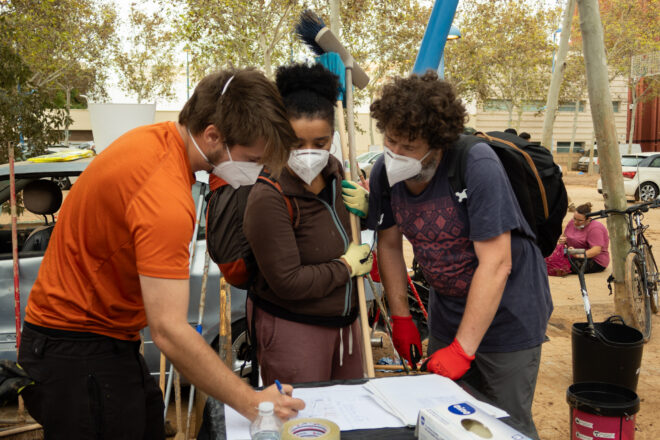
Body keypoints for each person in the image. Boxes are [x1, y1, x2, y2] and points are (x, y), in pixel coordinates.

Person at [18, 68, 305, 438]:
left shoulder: (155, 140)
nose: (255, 171)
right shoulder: (164, 197)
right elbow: (168, 330)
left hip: (100, 340)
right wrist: (252, 401)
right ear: (213, 135)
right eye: (251, 159)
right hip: (78, 350)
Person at [351, 72, 552, 439]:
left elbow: (497, 263)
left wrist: (464, 349)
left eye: (408, 146)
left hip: (509, 315)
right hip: (449, 311)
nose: (395, 153)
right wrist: (400, 317)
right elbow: (390, 246)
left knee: (505, 424)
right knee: (445, 418)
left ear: (438, 142)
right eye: (390, 140)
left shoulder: (475, 164)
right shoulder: (383, 173)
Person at [242, 63, 372, 385]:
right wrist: (346, 266)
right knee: (303, 425)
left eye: (321, 142)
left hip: (347, 326)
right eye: (296, 143)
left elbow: (342, 228)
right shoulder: (268, 196)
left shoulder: (337, 173)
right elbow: (288, 281)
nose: (310, 153)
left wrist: (369, 209)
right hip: (294, 329)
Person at [563, 202, 610, 273]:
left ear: (588, 219)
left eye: (579, 221)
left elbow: (596, 250)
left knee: (561, 265)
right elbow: (565, 237)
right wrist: (563, 241)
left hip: (594, 260)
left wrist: (578, 255)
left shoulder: (595, 228)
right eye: (574, 218)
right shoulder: (571, 223)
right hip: (573, 254)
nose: (575, 222)